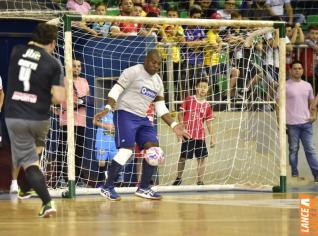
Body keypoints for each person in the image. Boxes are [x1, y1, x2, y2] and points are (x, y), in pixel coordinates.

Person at [93, 49, 190, 200]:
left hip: (142, 118)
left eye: (159, 64)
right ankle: (107, 186)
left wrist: (174, 125)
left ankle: (144, 187)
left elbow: (160, 107)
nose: (156, 66)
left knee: (155, 150)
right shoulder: (133, 72)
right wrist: (107, 108)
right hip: (124, 113)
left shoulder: (158, 82)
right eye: (153, 62)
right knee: (126, 151)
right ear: (146, 60)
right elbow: (115, 90)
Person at [4, 23, 65, 217]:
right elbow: (58, 98)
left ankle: (47, 203)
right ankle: (24, 188)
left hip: (17, 116)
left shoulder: (16, 51)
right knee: (34, 157)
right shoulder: (54, 63)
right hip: (40, 118)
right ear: (53, 43)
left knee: (29, 163)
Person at [279, 61, 318, 183]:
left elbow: (312, 103)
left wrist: (314, 115)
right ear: (290, 70)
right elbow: (277, 105)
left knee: (310, 150)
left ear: (302, 70)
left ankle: (317, 175)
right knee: (293, 150)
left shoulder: (307, 85)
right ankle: (294, 175)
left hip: (306, 124)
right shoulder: (284, 85)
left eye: (299, 68)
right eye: (295, 68)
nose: (297, 70)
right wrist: (279, 122)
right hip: (291, 124)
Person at [172, 78, 215, 185]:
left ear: (207, 89)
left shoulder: (207, 106)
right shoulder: (189, 99)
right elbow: (180, 114)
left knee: (201, 159)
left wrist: (213, 138)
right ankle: (178, 178)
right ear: (196, 88)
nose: (203, 89)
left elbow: (209, 123)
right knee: (183, 158)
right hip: (188, 135)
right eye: (201, 86)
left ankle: (200, 181)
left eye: (205, 87)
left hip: (200, 137)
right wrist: (182, 125)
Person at [56, 59, 91, 187]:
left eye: (79, 66)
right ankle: (60, 177)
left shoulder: (84, 81)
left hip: (81, 121)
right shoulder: (64, 80)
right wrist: (76, 103)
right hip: (66, 120)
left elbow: (89, 100)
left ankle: (77, 179)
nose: (77, 68)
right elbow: (61, 100)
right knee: (64, 150)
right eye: (74, 66)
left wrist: (82, 102)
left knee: (78, 151)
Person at [93, 105, 122, 187]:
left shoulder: (119, 112)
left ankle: (111, 183)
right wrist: (106, 126)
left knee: (113, 162)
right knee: (101, 162)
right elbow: (94, 122)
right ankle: (100, 183)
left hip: (113, 142)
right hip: (102, 140)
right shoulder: (104, 109)